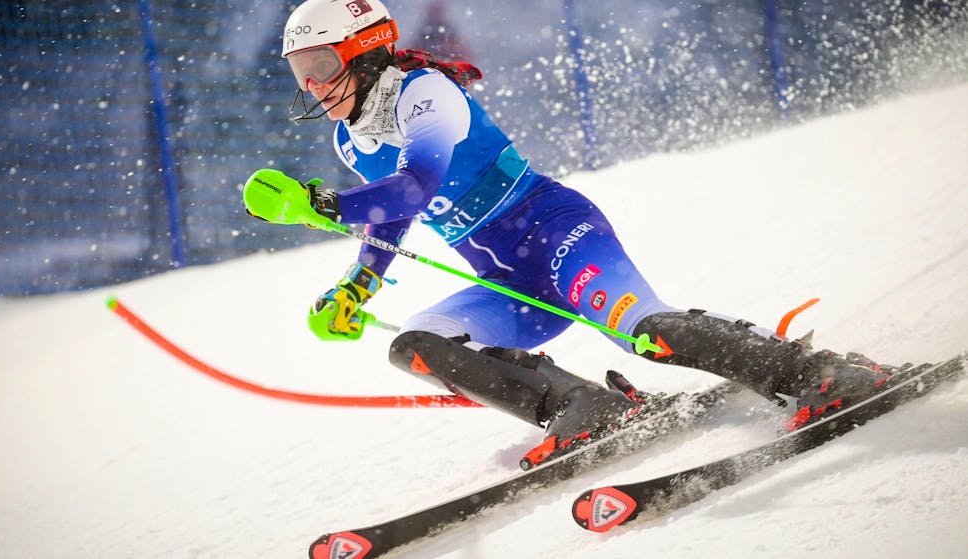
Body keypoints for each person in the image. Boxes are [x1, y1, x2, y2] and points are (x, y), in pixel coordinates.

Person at [248, 0, 897, 468]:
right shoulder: (349, 137)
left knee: (649, 331)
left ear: (364, 51)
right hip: (508, 285)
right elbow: (391, 216)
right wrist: (356, 285)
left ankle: (820, 371)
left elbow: (417, 185)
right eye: (297, 67)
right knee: (415, 345)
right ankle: (583, 407)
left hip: (559, 235)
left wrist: (320, 203)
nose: (310, 83)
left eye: (320, 61)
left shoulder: (424, 94)